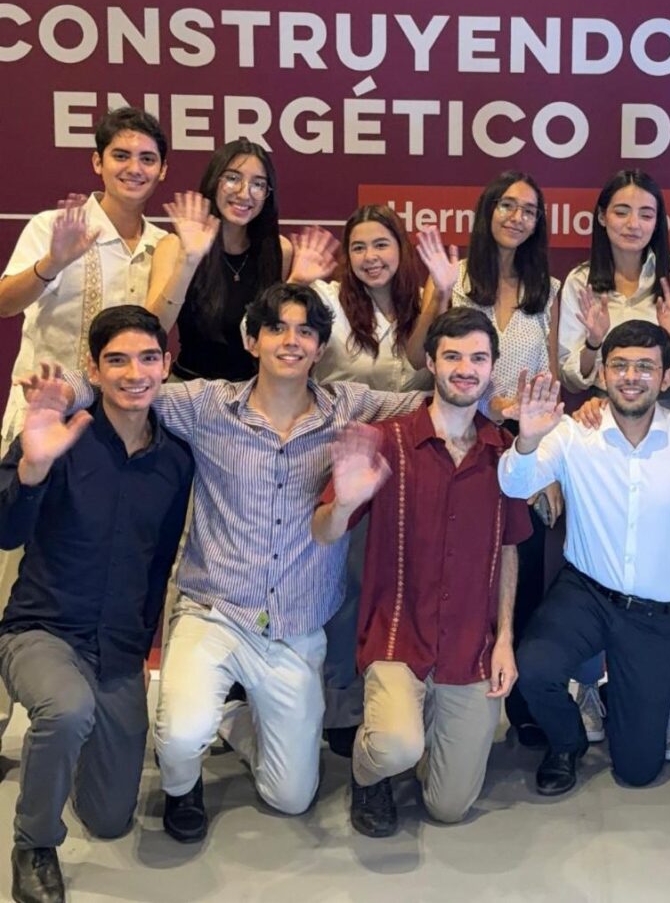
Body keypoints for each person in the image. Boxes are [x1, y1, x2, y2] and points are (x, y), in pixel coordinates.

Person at [50, 283, 427, 844]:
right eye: (277, 328)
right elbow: (132, 382)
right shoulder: (207, 405)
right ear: (252, 341)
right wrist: (62, 393)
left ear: (319, 347)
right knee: (180, 737)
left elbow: (431, 404)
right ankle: (183, 787)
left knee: (290, 797)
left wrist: (507, 410)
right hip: (214, 611)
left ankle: (235, 721)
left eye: (305, 331)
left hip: (296, 626)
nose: (291, 341)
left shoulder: (348, 407)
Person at [0, 307, 193, 903]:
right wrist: (33, 467)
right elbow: (6, 532)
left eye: (148, 358)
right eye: (117, 360)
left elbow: (159, 563)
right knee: (66, 708)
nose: (134, 373)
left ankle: (77, 749)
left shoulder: (176, 459)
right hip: (41, 630)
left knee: (109, 819)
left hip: (117, 648)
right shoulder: (55, 435)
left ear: (166, 364)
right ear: (94, 368)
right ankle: (34, 845)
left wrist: (140, 648)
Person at [314, 308, 529, 835]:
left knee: (449, 806)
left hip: (469, 650)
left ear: (492, 367)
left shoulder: (504, 453)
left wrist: (504, 639)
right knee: (395, 747)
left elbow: (509, 548)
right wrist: (345, 502)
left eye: (478, 358)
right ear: (431, 362)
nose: (465, 368)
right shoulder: (385, 440)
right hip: (398, 639)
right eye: (452, 356)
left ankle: (422, 732)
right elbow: (324, 532)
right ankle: (370, 772)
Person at [0, 106, 170, 758]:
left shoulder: (162, 246)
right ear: (98, 161)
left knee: (95, 565)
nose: (134, 168)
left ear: (162, 170)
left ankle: (85, 709)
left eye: (147, 158)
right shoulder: (54, 226)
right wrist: (52, 263)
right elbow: (5, 301)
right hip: (42, 425)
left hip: (115, 433)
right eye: (121, 155)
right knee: (11, 564)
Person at [499, 320, 670, 796]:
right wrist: (528, 439)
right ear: (602, 374)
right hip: (586, 592)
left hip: (653, 614)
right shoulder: (573, 433)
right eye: (619, 365)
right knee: (535, 668)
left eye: (645, 367)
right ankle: (567, 743)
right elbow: (515, 486)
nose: (631, 376)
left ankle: (620, 692)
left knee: (638, 769)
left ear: (665, 377)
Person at [558, 170, 670, 759]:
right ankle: (588, 687)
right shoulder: (580, 281)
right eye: (621, 211)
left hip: (666, 417)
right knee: (595, 553)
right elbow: (574, 373)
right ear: (602, 218)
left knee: (663, 562)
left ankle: (669, 698)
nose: (633, 223)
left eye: (646, 213)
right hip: (600, 417)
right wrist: (597, 344)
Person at [413, 172, 563, 748]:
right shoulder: (455, 279)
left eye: (529, 209)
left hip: (522, 448)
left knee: (522, 578)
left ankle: (523, 707)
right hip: (460, 442)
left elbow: (551, 382)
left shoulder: (547, 291)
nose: (517, 217)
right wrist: (438, 293)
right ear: (487, 211)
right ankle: (438, 695)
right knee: (453, 570)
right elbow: (419, 357)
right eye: (507, 205)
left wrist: (544, 462)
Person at [308, 204, 432, 756]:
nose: (370, 257)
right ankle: (340, 705)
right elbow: (258, 333)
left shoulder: (422, 302)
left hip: (411, 463)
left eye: (380, 244)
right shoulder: (328, 301)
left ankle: (399, 699)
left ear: (400, 248)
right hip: (345, 460)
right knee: (347, 583)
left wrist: (440, 298)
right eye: (358, 247)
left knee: (402, 581)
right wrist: (298, 281)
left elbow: (431, 369)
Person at [146, 138, 337, 382]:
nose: (244, 193)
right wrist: (189, 260)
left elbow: (268, 333)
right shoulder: (174, 245)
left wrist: (296, 283)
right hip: (190, 387)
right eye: (233, 178)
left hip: (256, 391)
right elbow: (153, 331)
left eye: (258, 184)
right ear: (214, 181)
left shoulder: (279, 250)